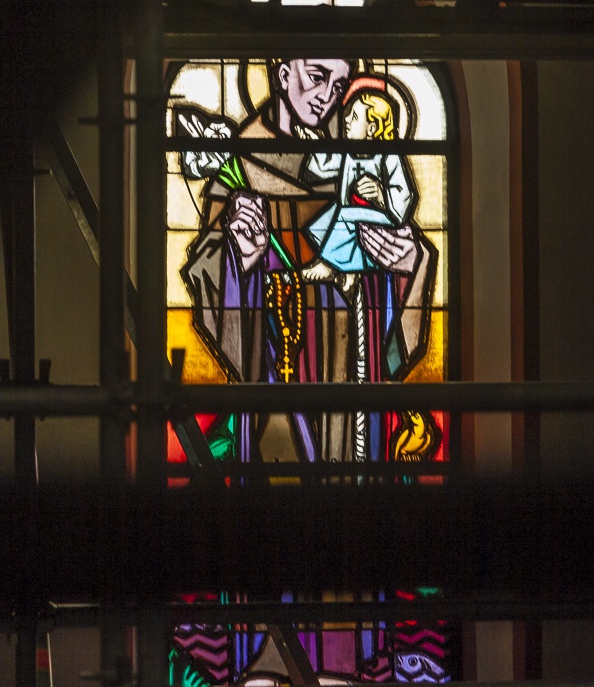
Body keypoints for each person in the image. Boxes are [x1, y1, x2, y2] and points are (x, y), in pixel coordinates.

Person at [182, 58, 436, 465]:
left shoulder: (356, 155)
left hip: (352, 358)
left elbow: (402, 237)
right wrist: (239, 258)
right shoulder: (239, 167)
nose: (327, 97)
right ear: (282, 75)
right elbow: (205, 272)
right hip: (273, 355)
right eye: (317, 77)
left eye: (339, 87)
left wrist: (408, 263)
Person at [302, 80, 415, 294]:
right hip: (355, 217)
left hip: (384, 221)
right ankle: (350, 269)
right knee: (324, 222)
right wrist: (316, 144)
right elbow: (321, 169)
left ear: (372, 128)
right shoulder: (348, 153)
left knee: (344, 216)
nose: (346, 120)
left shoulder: (388, 156)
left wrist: (381, 193)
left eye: (354, 117)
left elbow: (404, 195)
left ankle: (329, 265)